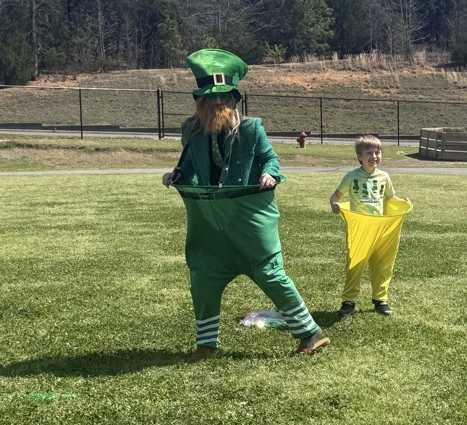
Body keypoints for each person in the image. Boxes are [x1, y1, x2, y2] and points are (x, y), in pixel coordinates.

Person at [163, 48, 330, 360]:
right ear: (200, 101)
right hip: (212, 228)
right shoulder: (193, 132)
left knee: (271, 275)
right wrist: (177, 174)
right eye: (210, 98)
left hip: (250, 225)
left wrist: (269, 173)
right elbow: (188, 164)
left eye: (223, 97)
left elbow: (270, 158)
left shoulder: (251, 130)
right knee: (203, 278)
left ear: (234, 99)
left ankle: (311, 334)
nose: (217, 103)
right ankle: (206, 344)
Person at [330, 134, 409, 318]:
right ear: (359, 157)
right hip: (360, 228)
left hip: (380, 228)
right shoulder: (351, 176)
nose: (374, 156)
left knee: (382, 264)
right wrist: (334, 205)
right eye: (369, 153)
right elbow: (336, 196)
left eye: (377, 152)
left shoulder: (384, 177)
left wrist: (403, 202)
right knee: (356, 264)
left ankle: (380, 300)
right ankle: (348, 302)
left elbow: (390, 198)